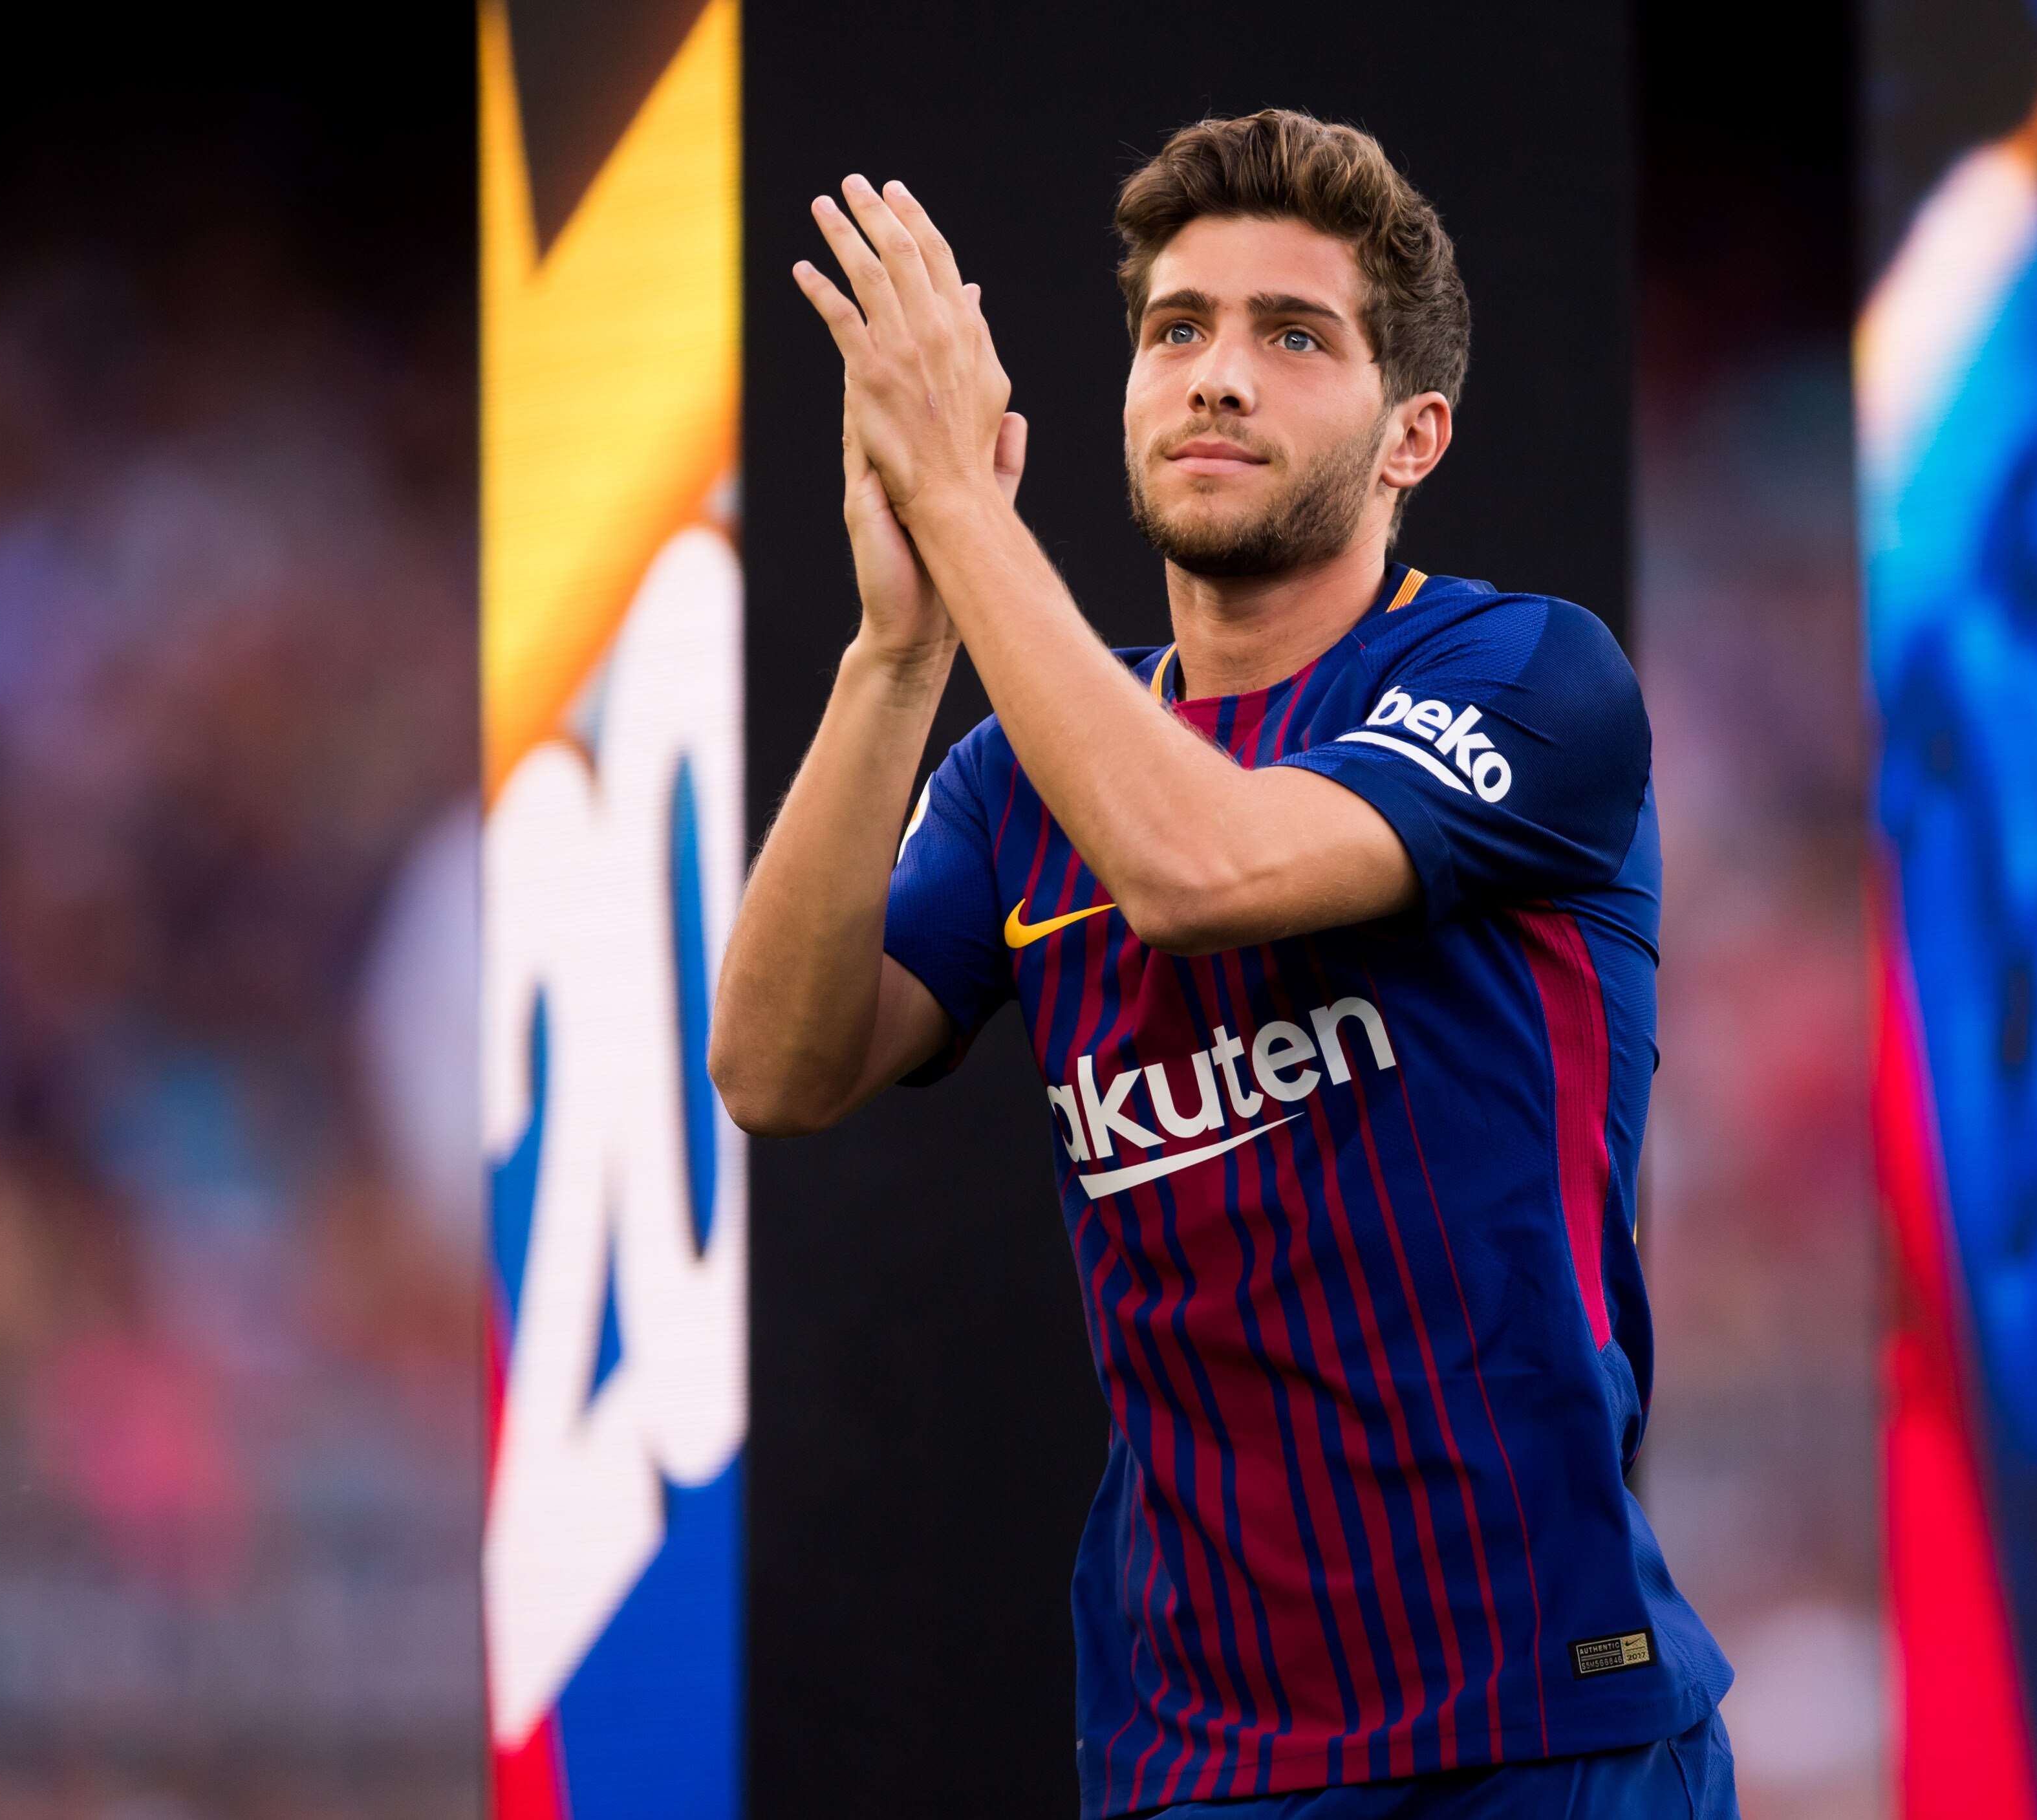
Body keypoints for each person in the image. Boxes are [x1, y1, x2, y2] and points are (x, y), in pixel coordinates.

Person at [711, 109, 1734, 1820]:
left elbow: (1199, 867)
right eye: (1176, 330)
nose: (1217, 376)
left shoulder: (1529, 676)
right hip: (1200, 1750)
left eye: (1291, 334)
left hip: (1543, 1731)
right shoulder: (1014, 774)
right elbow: (773, 1069)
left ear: (1416, 433)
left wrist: (963, 512)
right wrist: (901, 649)